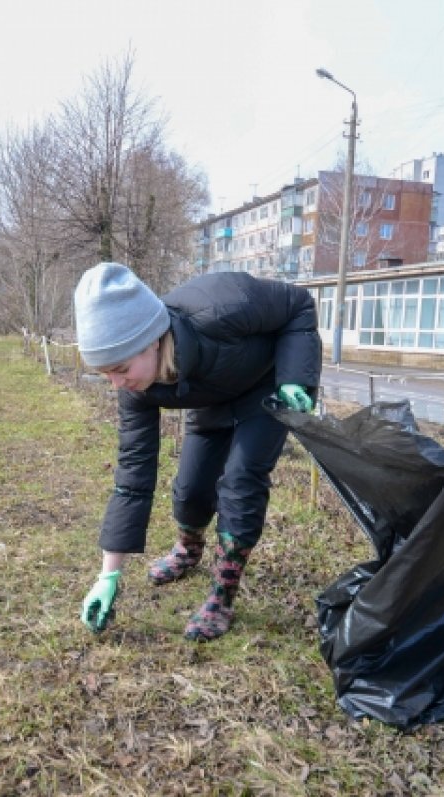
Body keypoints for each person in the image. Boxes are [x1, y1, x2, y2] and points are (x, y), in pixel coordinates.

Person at [73, 261, 322, 641]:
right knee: (190, 489)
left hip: (266, 386)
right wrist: (108, 574)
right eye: (105, 373)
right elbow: (133, 475)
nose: (115, 384)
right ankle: (189, 551)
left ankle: (223, 594)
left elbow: (299, 305)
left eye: (120, 368)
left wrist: (295, 378)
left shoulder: (222, 304)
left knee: (240, 481)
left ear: (153, 339)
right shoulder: (133, 389)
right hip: (210, 393)